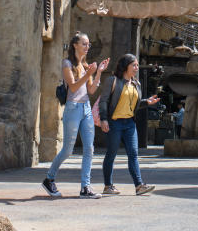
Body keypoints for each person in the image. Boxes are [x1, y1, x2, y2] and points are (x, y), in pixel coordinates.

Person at [41, 32, 109, 199]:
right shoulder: (67, 63)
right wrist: (88, 73)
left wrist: (98, 72)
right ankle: (49, 179)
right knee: (68, 150)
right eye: (84, 44)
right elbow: (72, 87)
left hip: (85, 107)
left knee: (89, 148)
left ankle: (85, 187)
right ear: (75, 45)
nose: (87, 47)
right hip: (73, 108)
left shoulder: (86, 65)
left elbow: (91, 90)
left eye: (88, 44)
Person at [99, 54, 160, 196]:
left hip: (130, 124)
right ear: (126, 66)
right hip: (114, 123)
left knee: (133, 154)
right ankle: (108, 185)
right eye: (134, 65)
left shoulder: (136, 84)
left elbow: (134, 105)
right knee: (111, 154)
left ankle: (139, 186)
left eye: (137, 65)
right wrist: (103, 119)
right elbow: (103, 101)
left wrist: (146, 102)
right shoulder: (112, 81)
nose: (136, 68)